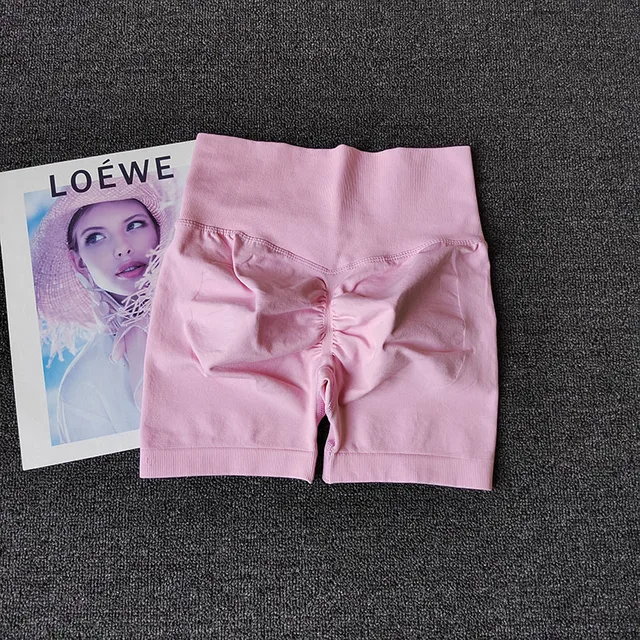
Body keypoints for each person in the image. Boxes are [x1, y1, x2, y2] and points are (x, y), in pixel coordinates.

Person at [30, 179, 177, 444]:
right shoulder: (82, 386)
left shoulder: (215, 308)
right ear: (78, 262)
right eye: (96, 237)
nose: (123, 248)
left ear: (158, 229)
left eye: (134, 225)